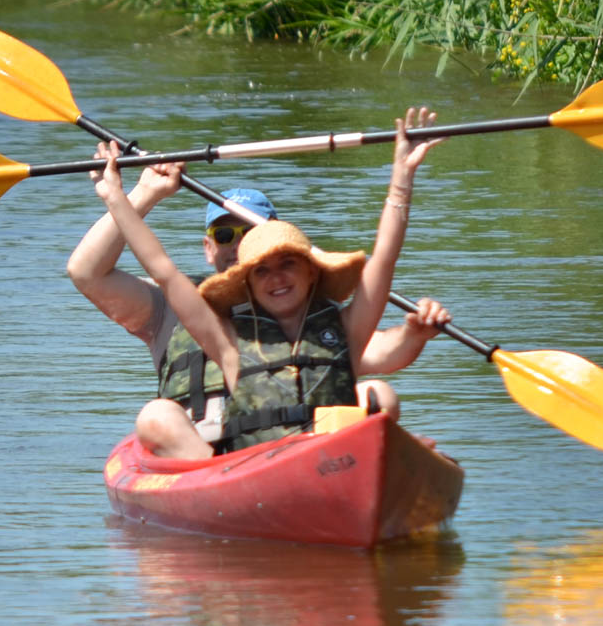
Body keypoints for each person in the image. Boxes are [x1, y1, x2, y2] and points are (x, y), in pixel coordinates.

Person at [89, 108, 452, 460]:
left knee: (381, 395)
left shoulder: (343, 330)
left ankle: (378, 464)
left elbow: (384, 258)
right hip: (250, 468)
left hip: (329, 457)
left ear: (311, 271)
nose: (276, 276)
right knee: (154, 416)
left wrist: (402, 177)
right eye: (261, 270)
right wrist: (116, 198)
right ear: (247, 284)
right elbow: (163, 270)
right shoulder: (230, 344)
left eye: (288, 263)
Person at [67, 159, 276, 373]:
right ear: (208, 249)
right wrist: (144, 194)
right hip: (189, 407)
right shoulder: (170, 306)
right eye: (224, 235)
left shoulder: (301, 299)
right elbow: (87, 274)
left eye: (251, 233)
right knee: (159, 410)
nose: (239, 245)